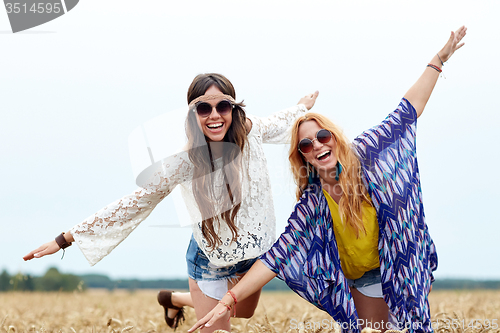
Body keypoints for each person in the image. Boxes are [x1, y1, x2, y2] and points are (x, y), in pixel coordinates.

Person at [188, 26, 467, 333]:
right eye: (306, 145)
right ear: (303, 158)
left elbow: (407, 110)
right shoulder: (314, 201)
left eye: (322, 136)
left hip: (401, 263)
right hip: (362, 278)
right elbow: (277, 256)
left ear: (334, 136)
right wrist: (229, 299)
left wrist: (438, 60)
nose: (317, 145)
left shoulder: (367, 152)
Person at [23, 73, 319, 333]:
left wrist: (302, 107)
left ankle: (174, 298)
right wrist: (65, 238)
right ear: (193, 114)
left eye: (222, 106)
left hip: (252, 252)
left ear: (233, 109)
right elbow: (136, 201)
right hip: (210, 258)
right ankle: (196, 297)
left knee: (244, 311)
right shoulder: (184, 162)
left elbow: (282, 120)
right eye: (204, 107)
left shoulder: (251, 132)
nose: (214, 114)